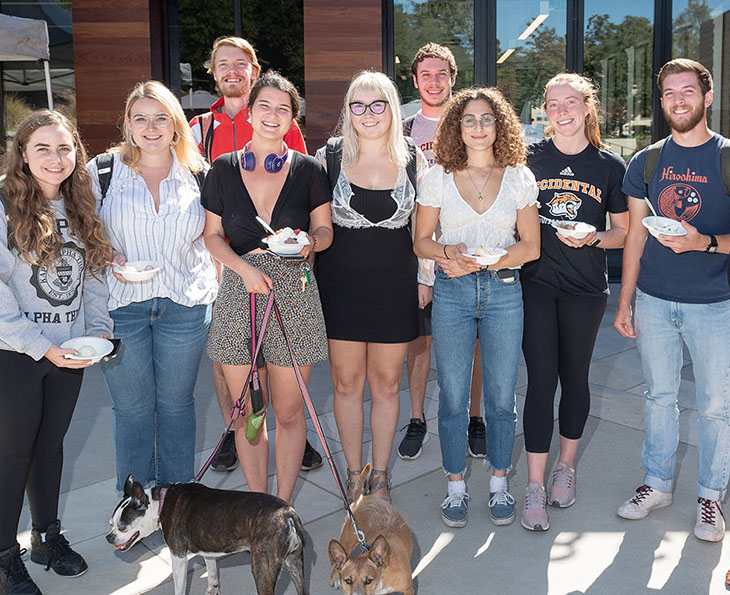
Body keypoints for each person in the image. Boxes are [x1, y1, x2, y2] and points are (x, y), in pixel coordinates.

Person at [189, 36, 322, 473]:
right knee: (249, 414)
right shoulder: (222, 168)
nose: (272, 115)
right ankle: (257, 509)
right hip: (238, 291)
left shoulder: (309, 170)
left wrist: (311, 243)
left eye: (283, 109)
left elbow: (324, 230)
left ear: (292, 120)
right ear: (251, 111)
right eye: (264, 106)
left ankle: (282, 508)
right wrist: (243, 268)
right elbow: (211, 236)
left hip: (294, 295)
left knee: (287, 412)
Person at [614, 58, 730, 542]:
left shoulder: (727, 158)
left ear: (707, 98)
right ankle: (657, 484)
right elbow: (636, 237)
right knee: (659, 398)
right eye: (668, 93)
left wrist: (702, 242)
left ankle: (710, 496)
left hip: (714, 304)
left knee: (715, 406)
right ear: (661, 102)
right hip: (655, 301)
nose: (678, 100)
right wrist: (625, 301)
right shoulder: (648, 160)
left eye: (687, 91)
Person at [414, 87, 540, 528]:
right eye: (469, 119)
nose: (478, 127)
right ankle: (455, 486)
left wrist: (490, 260)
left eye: (487, 119)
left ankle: (500, 483)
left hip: (505, 291)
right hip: (453, 293)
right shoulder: (438, 177)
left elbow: (531, 246)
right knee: (452, 395)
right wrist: (451, 254)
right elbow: (421, 241)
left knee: (502, 396)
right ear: (456, 126)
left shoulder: (520, 176)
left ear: (500, 125)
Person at [0, 110, 113, 593]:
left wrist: (100, 332)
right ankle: (5, 556)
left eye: (63, 147)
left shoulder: (81, 204)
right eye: (42, 148)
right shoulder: (4, 205)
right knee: (11, 455)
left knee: (50, 448)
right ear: (22, 154)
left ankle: (48, 537)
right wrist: (40, 346)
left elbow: (93, 278)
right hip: (16, 355)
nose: (54, 158)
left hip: (69, 353)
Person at [92, 81, 218, 494]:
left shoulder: (200, 174)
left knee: (177, 407)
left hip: (184, 305)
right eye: (141, 118)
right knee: (132, 410)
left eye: (161, 117)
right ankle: (133, 503)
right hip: (120, 305)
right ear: (128, 124)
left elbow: (214, 237)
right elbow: (81, 231)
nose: (151, 127)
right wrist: (110, 257)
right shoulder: (103, 171)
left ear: (175, 125)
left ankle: (175, 502)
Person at [519, 73, 628, 531]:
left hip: (586, 290)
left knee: (575, 378)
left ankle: (567, 466)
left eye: (570, 102)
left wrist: (594, 236)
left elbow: (624, 233)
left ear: (587, 107)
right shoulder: (527, 160)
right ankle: (535, 485)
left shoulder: (608, 165)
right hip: (537, 283)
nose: (561, 110)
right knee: (541, 381)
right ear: (546, 109)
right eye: (553, 103)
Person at [315, 70, 428, 501]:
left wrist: (425, 280)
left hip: (396, 287)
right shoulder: (329, 157)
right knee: (346, 385)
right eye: (357, 105)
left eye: (377, 104)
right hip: (340, 288)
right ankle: (353, 472)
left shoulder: (415, 158)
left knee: (385, 384)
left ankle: (379, 475)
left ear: (392, 110)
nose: (367, 114)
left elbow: (422, 228)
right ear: (348, 111)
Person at [397, 43, 488, 462]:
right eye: (425, 75)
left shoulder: (470, 125)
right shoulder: (400, 132)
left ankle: (474, 419)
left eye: (441, 74)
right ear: (415, 82)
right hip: (420, 248)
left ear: (453, 78)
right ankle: (416, 418)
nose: (433, 82)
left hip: (466, 248)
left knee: (471, 343)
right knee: (420, 339)